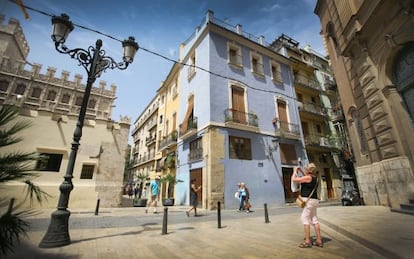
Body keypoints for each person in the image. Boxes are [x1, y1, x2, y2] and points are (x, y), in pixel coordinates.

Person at [291, 163, 323, 248]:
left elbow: (294, 179)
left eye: (305, 169)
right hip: (314, 200)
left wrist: (294, 171)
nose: (304, 170)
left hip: (308, 200)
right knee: (314, 219)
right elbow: (306, 176)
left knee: (304, 218)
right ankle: (319, 240)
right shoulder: (315, 178)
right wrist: (300, 170)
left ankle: (307, 241)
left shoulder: (307, 178)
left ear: (308, 170)